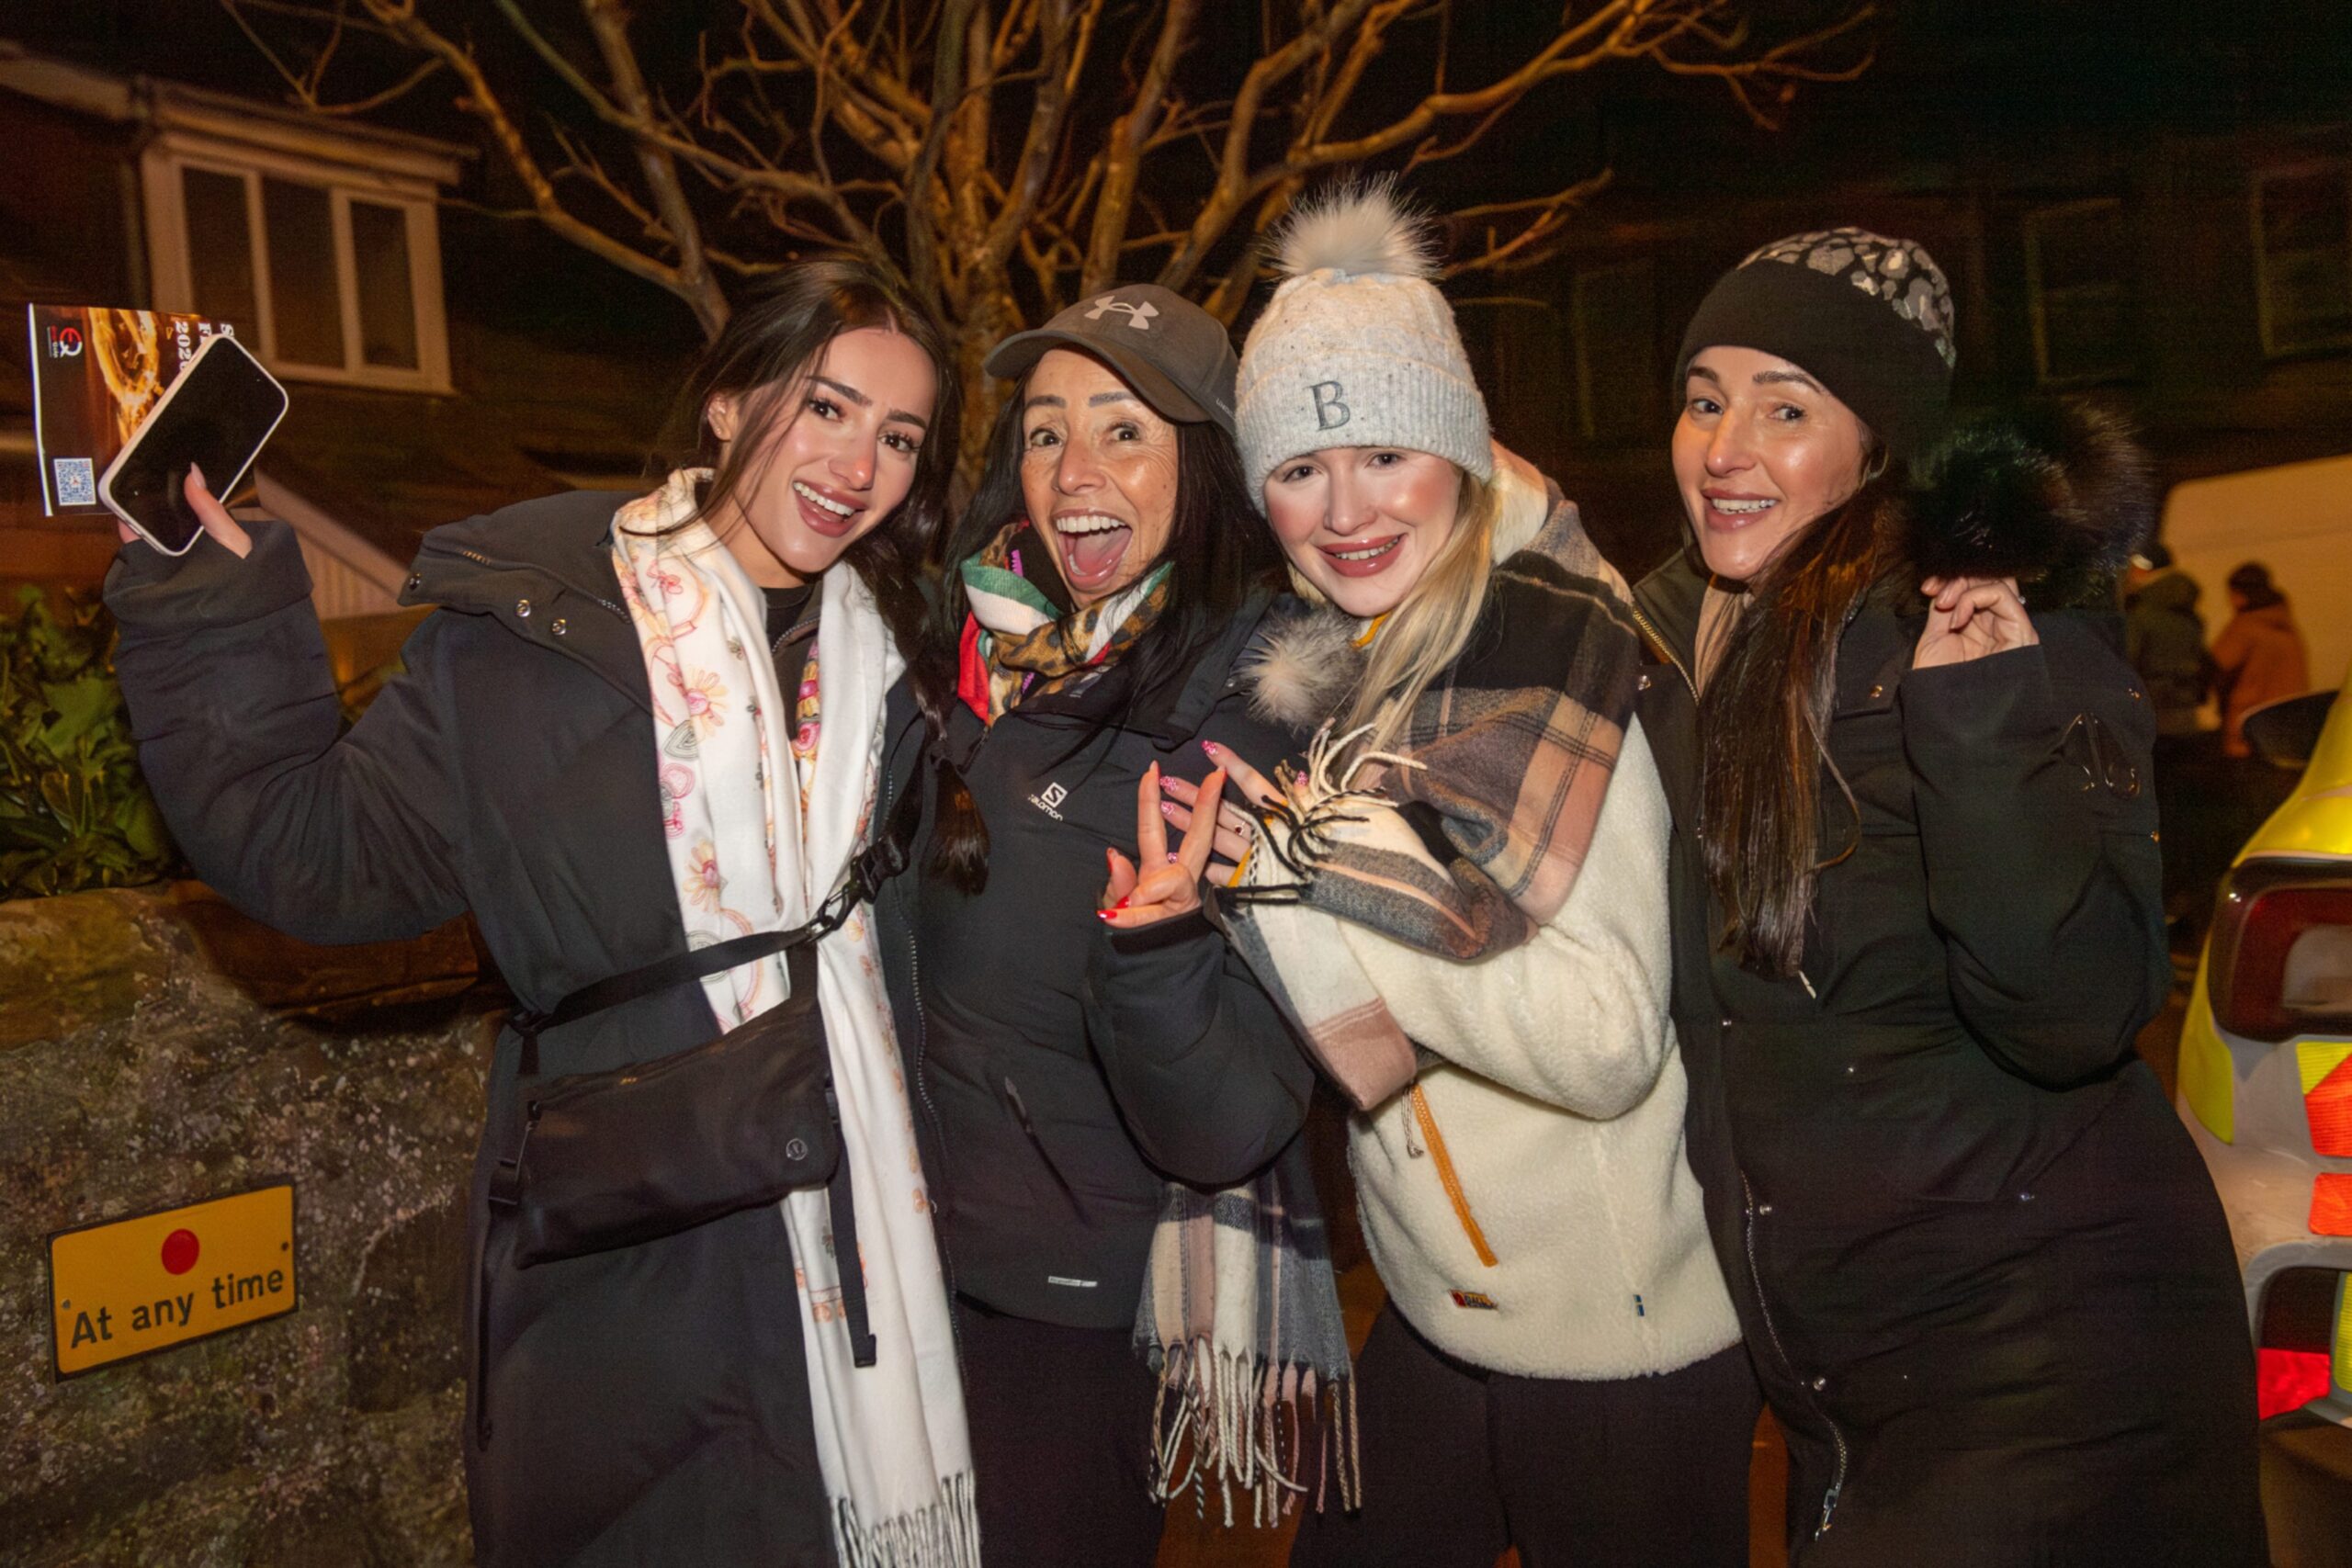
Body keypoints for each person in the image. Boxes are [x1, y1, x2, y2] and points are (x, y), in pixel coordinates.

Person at [103, 261, 978, 1568]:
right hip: (634, 1255)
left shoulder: (901, 661)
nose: (858, 462)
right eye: (825, 406)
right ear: (730, 404)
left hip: (861, 1230)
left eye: (898, 435)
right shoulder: (538, 620)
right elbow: (318, 853)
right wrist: (208, 609)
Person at [1134, 184, 1755, 1567]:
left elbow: (1601, 1044)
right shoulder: (1376, 666)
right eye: (1300, 467)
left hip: (1614, 1345)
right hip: (1434, 1305)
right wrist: (1230, 896)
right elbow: (1371, 986)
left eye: (1387, 453)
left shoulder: (1546, 666)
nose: (1344, 510)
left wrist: (1306, 871)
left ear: (1461, 453)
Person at [1633, 228, 2264, 1565]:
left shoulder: (1993, 625)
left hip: (2048, 1359)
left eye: (1786, 407)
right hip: (1839, 1384)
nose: (1725, 444)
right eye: (1705, 397)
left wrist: (1978, 721)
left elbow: (2078, 1008)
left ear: (1878, 448)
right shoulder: (1669, 640)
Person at [865, 286, 1323, 1565]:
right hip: (915, 1253)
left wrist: (1163, 940)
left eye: (1126, 430)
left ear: (1208, 465)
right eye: (1047, 429)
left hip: (1072, 1292)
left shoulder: (1247, 709)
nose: (1075, 469)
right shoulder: (975, 644)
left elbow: (1233, 1120)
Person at [2123, 544, 2222, 938]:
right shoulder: (2189, 617)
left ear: (2145, 570)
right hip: (2187, 731)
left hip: (2149, 731)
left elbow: (2125, 668)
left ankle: (2149, 908)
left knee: (2146, 821)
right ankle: (2180, 905)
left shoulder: (2142, 614)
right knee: (2181, 822)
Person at [2212, 559, 2311, 758]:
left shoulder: (2245, 628)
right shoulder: (2287, 626)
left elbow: (2215, 665)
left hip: (2249, 728)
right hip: (2287, 726)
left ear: (2240, 594)